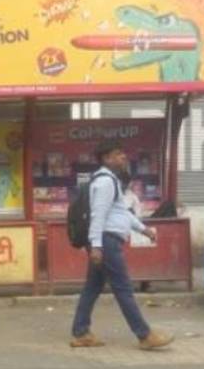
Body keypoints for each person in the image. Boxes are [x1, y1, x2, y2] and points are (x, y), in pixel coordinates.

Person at [70, 143, 174, 351]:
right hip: (107, 242)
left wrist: (143, 229)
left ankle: (81, 333)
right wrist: (97, 246)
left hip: (106, 240)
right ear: (107, 159)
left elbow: (121, 213)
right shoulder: (106, 182)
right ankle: (144, 335)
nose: (124, 158)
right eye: (118, 155)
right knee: (123, 288)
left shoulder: (110, 182)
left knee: (92, 288)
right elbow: (97, 215)